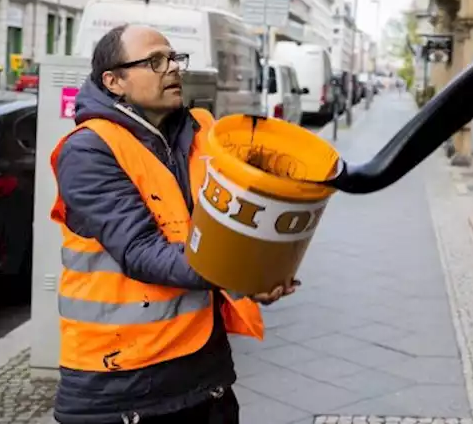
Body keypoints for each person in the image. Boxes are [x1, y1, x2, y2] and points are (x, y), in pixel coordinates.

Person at [50, 24, 297, 423]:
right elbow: (141, 252)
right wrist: (242, 272)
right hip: (119, 383)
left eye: (174, 58)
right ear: (114, 82)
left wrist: (261, 273)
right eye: (154, 61)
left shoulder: (201, 133)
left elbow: (226, 228)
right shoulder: (88, 149)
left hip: (203, 370)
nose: (172, 69)